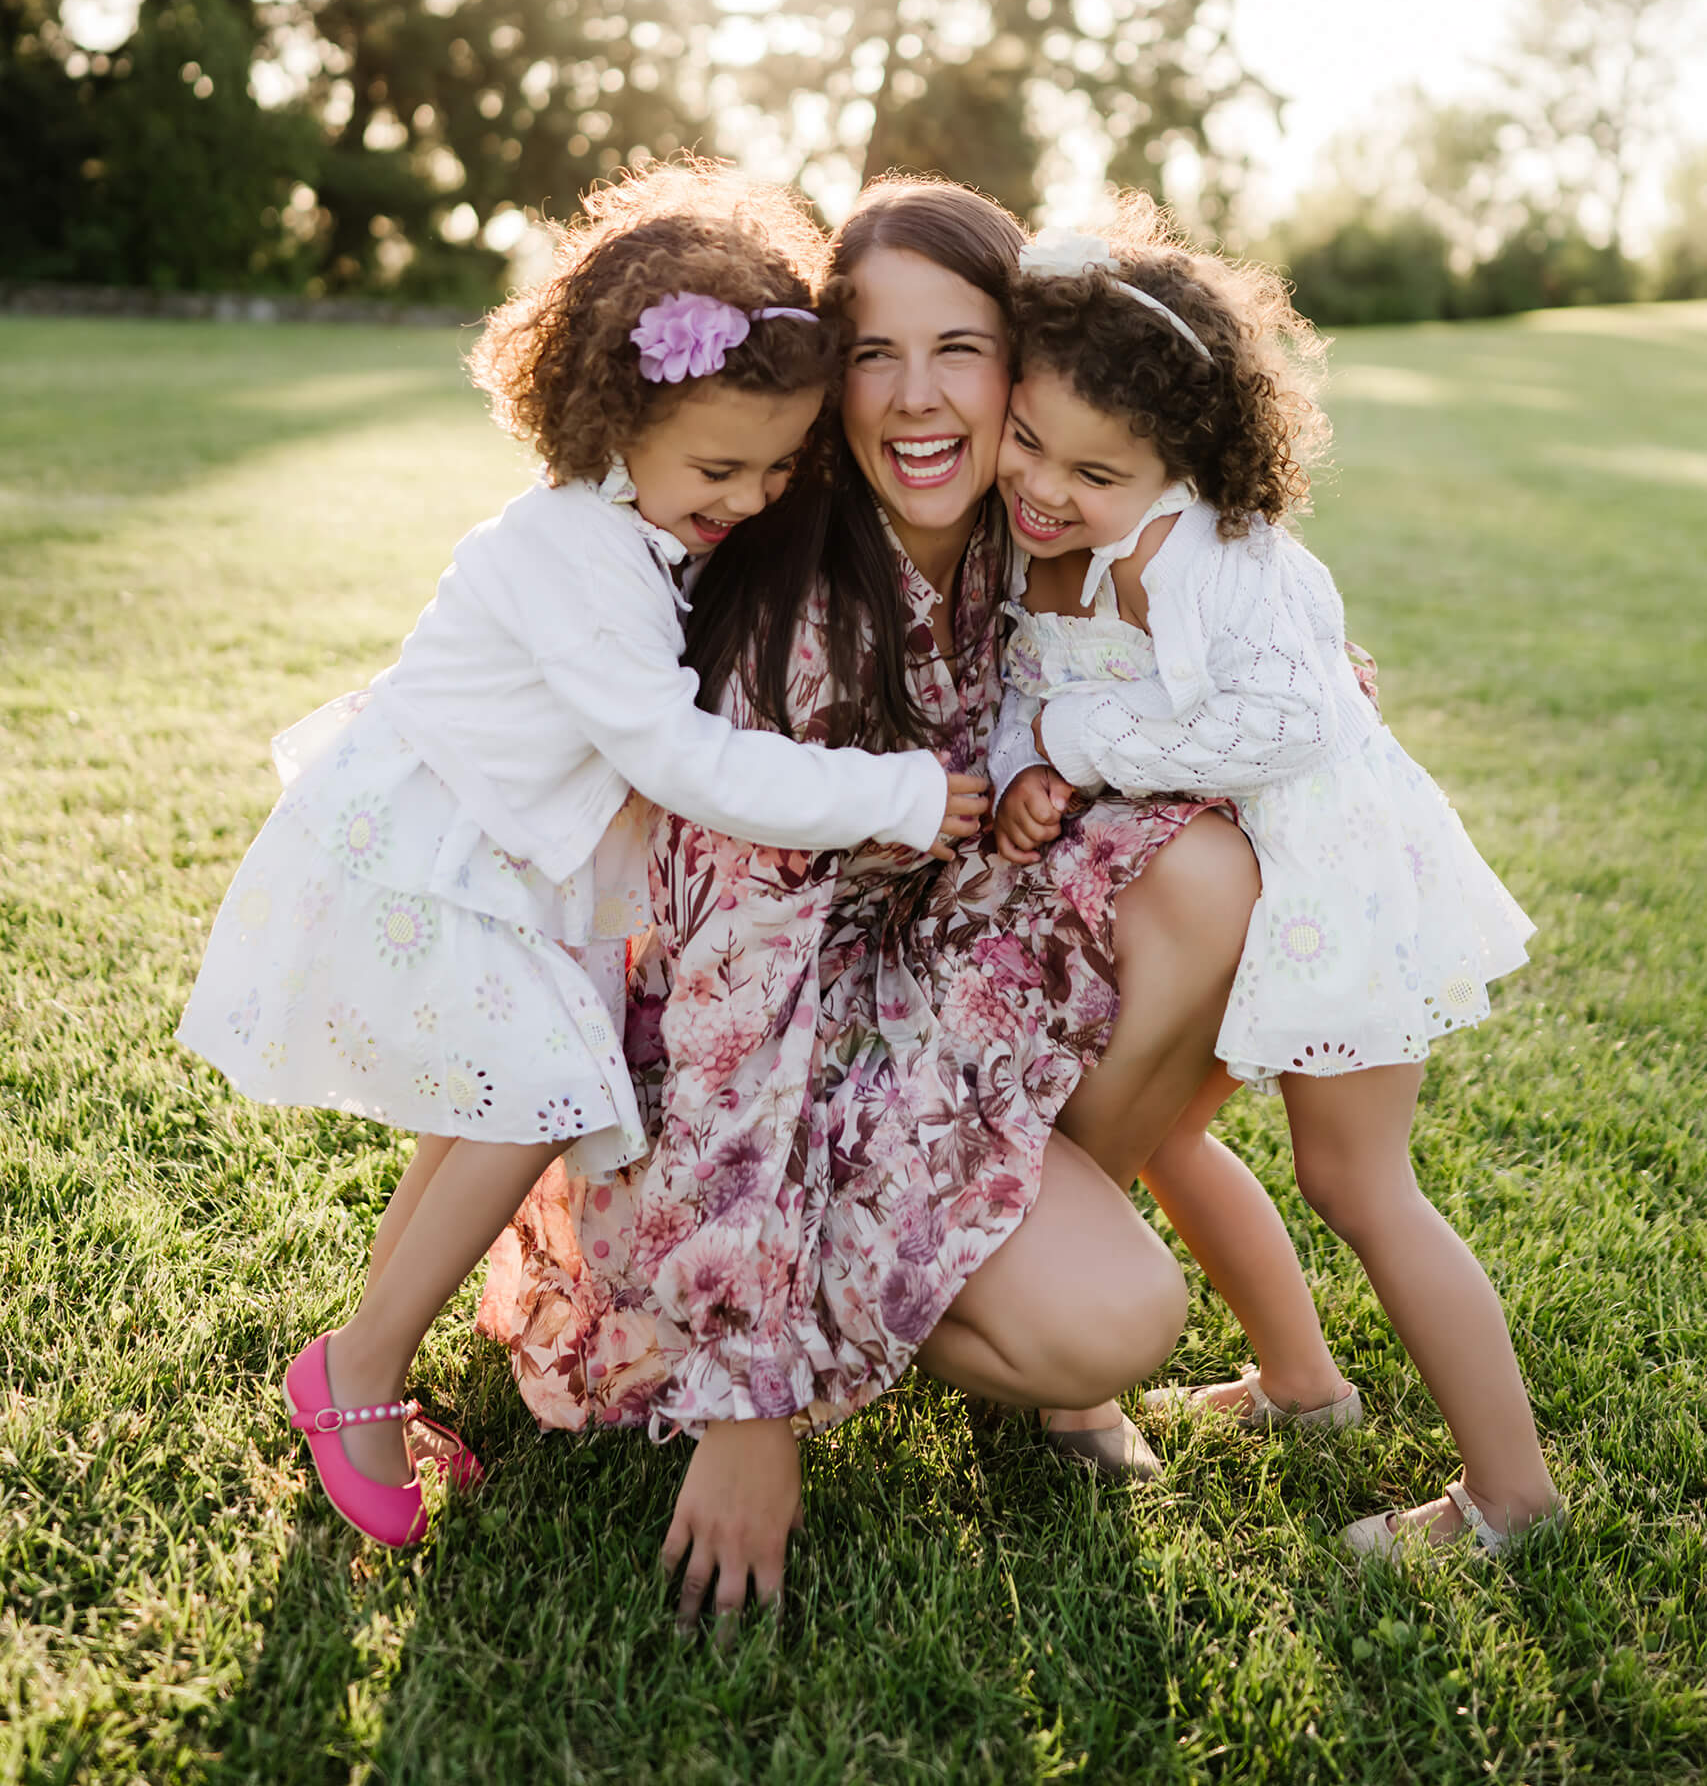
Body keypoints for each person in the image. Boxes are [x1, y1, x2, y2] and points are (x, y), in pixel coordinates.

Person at [482, 179, 1270, 1629]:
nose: (917, 397)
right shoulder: (793, 606)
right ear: (828, 373)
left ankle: (981, 1263)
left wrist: (1304, 707)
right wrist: (749, 1407)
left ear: (1020, 365)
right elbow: (740, 1004)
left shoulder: (1031, 537)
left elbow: (1206, 642)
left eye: (959, 348)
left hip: (932, 1008)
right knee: (1119, 1324)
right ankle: (834, 1320)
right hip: (766, 1073)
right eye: (874, 352)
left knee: (1207, 871)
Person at [178, 164, 987, 1549]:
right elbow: (681, 760)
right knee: (534, 1094)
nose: (751, 496)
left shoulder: (641, 528)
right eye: (721, 469)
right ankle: (358, 1368)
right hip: (437, 853)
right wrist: (894, 793)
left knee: (497, 1100)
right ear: (619, 419)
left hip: (507, 861)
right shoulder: (573, 549)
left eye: (781, 464)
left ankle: (368, 1358)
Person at [989, 205, 1564, 1558]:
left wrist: (1077, 747)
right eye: (1029, 442)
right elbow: (1034, 689)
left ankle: (1513, 1497)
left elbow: (1289, 724)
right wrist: (1032, 754)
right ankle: (1303, 1391)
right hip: (1264, 899)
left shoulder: (1217, 557)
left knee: (1360, 1183)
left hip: (1336, 894)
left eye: (1097, 469)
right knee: (1175, 1136)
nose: (1049, 487)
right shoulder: (1075, 556)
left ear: (1182, 466)